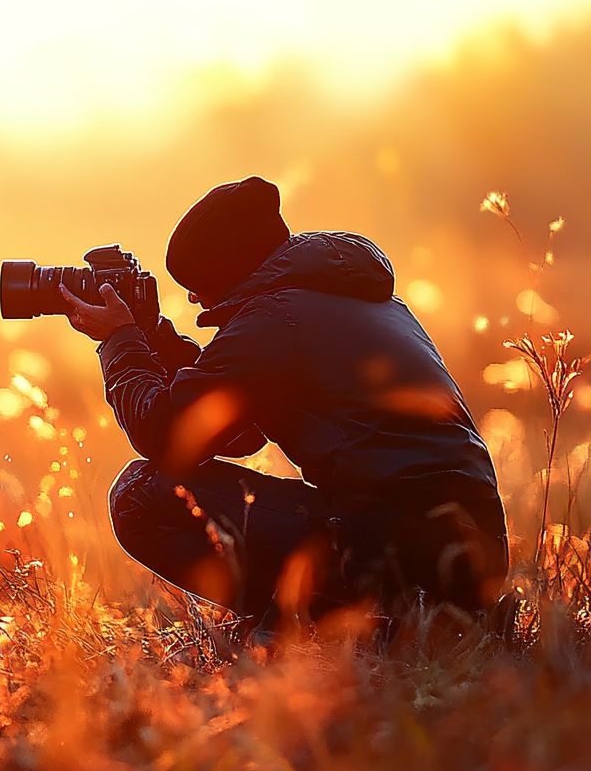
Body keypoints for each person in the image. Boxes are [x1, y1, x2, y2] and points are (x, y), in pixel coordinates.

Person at [61, 176, 508, 626]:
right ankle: (353, 622)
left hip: (397, 557)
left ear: (229, 268)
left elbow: (164, 434)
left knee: (140, 493)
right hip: (463, 555)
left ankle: (305, 630)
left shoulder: (273, 319)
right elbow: (237, 432)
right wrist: (152, 334)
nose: (194, 297)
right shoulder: (351, 296)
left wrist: (119, 340)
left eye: (198, 282)